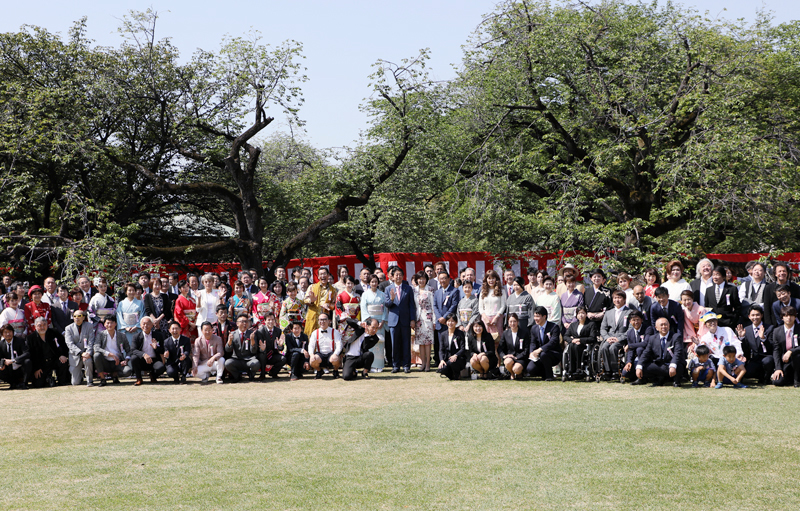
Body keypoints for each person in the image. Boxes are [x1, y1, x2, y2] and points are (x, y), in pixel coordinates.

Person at [633, 317, 685, 387]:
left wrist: (673, 365)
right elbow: (646, 353)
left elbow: (677, 353)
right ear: (656, 328)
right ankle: (659, 379)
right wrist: (639, 366)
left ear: (669, 325)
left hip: (673, 364)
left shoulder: (676, 336)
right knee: (644, 367)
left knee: (678, 366)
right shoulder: (652, 338)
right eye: (661, 325)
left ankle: (676, 380)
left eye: (665, 324)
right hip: (660, 365)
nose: (664, 327)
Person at [386, 268, 416, 373]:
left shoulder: (408, 288)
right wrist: (392, 299)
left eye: (400, 275)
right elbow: (387, 305)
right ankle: (396, 365)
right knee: (395, 345)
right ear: (392, 277)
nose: (398, 277)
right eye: (396, 275)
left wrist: (412, 319)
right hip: (393, 321)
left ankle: (406, 365)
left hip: (405, 320)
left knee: (406, 343)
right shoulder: (388, 289)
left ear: (403, 276)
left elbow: (412, 305)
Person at [736, 305, 774, 385]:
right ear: (749, 316)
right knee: (748, 373)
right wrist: (741, 338)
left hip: (766, 357)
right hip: (754, 359)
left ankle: (766, 379)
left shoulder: (770, 328)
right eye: (753, 315)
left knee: (768, 361)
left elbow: (772, 347)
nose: (755, 317)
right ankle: (760, 376)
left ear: (762, 315)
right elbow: (745, 349)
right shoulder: (747, 330)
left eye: (757, 315)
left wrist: (763, 338)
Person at [27, 316, 69, 387]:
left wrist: (63, 355)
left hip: (54, 359)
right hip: (41, 363)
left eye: (44, 325)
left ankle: (61, 381)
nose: (42, 327)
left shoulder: (54, 332)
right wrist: (36, 368)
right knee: (38, 384)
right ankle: (48, 378)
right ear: (35, 326)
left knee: (63, 362)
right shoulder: (31, 338)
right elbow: (31, 355)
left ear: (47, 325)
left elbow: (63, 344)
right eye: (40, 325)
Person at [597, 290, 630, 378]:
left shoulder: (629, 312)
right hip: (610, 338)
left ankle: (616, 370)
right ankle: (607, 371)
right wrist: (607, 338)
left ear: (624, 299)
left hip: (621, 339)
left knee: (613, 347)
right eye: (615, 298)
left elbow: (630, 329)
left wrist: (619, 339)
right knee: (604, 347)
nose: (617, 300)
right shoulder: (608, 313)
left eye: (619, 298)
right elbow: (603, 328)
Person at [92, 316, 132, 386]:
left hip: (117, 362)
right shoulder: (101, 334)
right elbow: (96, 347)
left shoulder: (122, 335)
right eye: (107, 323)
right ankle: (102, 379)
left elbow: (128, 350)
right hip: (105, 361)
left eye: (112, 323)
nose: (109, 325)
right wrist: (110, 354)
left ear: (115, 324)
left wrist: (126, 360)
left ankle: (115, 375)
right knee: (96, 355)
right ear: (104, 324)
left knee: (127, 371)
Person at [360, 274, 388, 372]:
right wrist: (369, 322)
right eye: (372, 282)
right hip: (370, 321)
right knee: (370, 343)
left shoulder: (382, 295)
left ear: (378, 283)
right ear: (369, 283)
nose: (374, 283)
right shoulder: (365, 294)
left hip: (380, 322)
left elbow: (385, 308)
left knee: (380, 343)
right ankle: (370, 365)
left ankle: (379, 365)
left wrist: (383, 321)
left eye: (376, 281)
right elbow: (363, 308)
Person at [527, 306, 563, 381]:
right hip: (540, 355)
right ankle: (544, 373)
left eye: (538, 316)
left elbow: (553, 342)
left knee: (544, 354)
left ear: (544, 316)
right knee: (530, 369)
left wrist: (540, 349)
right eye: (534, 316)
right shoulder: (534, 328)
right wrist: (532, 352)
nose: (535, 318)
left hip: (553, 354)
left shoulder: (554, 327)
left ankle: (549, 376)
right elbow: (533, 342)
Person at [129, 316, 167, 385]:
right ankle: (139, 379)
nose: (145, 326)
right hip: (142, 360)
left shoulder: (158, 335)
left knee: (161, 368)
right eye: (143, 324)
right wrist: (144, 355)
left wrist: (156, 348)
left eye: (148, 324)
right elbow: (133, 350)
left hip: (154, 360)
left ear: (152, 325)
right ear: (140, 325)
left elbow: (163, 350)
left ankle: (153, 376)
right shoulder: (136, 336)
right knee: (134, 358)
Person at [563, 306, 598, 380]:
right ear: (576, 315)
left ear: (586, 314)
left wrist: (580, 340)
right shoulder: (573, 325)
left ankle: (579, 368)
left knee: (576, 346)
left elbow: (592, 338)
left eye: (583, 313)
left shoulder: (591, 324)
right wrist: (572, 340)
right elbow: (565, 336)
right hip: (573, 344)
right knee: (572, 345)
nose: (581, 315)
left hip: (585, 345)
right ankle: (571, 369)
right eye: (579, 313)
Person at [224, 314, 260, 382]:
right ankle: (237, 376)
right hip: (237, 359)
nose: (244, 323)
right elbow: (227, 350)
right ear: (237, 323)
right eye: (242, 321)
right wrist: (230, 341)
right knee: (227, 363)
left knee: (256, 363)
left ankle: (251, 376)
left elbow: (254, 351)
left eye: (246, 322)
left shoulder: (252, 334)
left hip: (249, 359)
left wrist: (252, 340)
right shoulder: (233, 334)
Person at [620, 310, 654, 382]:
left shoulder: (648, 329)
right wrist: (629, 362)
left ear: (642, 320)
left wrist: (629, 345)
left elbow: (645, 343)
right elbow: (631, 350)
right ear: (630, 321)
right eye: (633, 320)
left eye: (638, 319)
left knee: (640, 349)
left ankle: (642, 377)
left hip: (647, 357)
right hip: (636, 357)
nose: (636, 322)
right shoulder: (630, 333)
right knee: (625, 373)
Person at [64, 309, 95, 387]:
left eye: (79, 316)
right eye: (74, 316)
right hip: (75, 355)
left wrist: (87, 353)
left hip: (86, 353)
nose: (76, 318)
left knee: (88, 360)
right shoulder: (68, 328)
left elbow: (91, 341)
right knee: (75, 383)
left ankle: (89, 380)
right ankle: (80, 376)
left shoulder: (89, 326)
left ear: (84, 317)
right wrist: (81, 353)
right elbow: (69, 344)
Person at [771, 306, 800, 387]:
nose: (789, 318)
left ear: (795, 317)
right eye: (786, 316)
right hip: (785, 361)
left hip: (798, 360)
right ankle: (789, 377)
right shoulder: (776, 331)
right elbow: (776, 350)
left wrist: (791, 351)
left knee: (797, 355)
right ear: (782, 318)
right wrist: (778, 368)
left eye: (791, 315)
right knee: (777, 382)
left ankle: (796, 380)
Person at [303, 267, 336, 336]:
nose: (323, 276)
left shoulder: (333, 290)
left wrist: (328, 305)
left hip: (325, 317)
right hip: (313, 316)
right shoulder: (312, 287)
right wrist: (311, 301)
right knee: (311, 337)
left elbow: (334, 304)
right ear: (318, 276)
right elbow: (305, 300)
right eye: (321, 274)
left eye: (324, 274)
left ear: (328, 275)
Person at [413, 272, 435, 371]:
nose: (421, 281)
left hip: (428, 318)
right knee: (420, 343)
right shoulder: (414, 290)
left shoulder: (430, 290)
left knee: (428, 343)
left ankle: (427, 364)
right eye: (419, 279)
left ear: (426, 279)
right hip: (418, 319)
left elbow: (433, 306)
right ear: (417, 280)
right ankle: (422, 363)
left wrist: (434, 321)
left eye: (423, 278)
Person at [309, 313, 343, 379]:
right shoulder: (315, 332)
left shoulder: (335, 332)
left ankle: (335, 371)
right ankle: (319, 371)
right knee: (312, 361)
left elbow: (339, 344)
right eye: (321, 320)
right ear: (318, 321)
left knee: (336, 359)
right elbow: (311, 345)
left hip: (331, 354)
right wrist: (311, 355)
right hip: (320, 355)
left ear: (329, 321)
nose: (322, 322)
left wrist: (335, 354)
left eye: (324, 319)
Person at [253, 313, 285, 380]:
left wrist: (280, 345)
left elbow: (281, 348)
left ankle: (273, 372)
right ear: (264, 321)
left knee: (283, 359)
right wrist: (262, 349)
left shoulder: (278, 331)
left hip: (273, 354)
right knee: (262, 355)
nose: (271, 322)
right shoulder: (260, 331)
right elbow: (258, 347)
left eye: (272, 320)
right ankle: (262, 374)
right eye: (269, 320)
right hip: (263, 354)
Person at [437, 313, 468, 380]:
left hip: (459, 359)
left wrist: (456, 355)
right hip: (447, 358)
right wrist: (441, 360)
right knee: (441, 369)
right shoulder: (443, 334)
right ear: (446, 322)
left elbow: (463, 348)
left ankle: (457, 374)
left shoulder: (460, 333)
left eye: (452, 321)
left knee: (452, 362)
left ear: (456, 322)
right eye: (448, 321)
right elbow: (441, 350)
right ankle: (452, 376)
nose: (450, 323)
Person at [499, 313, 528, 380]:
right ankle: (511, 373)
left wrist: (517, 357)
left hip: (520, 358)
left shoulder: (524, 333)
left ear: (518, 322)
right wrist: (504, 356)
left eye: (514, 321)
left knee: (517, 369)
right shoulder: (505, 333)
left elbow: (526, 349)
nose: (512, 323)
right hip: (510, 357)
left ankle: (519, 373)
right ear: (508, 322)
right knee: (507, 361)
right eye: (510, 321)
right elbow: (500, 348)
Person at [0, 324, 30, 389]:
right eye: (5, 332)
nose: (8, 334)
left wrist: (13, 360)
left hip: (20, 368)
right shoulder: (1, 344)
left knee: (28, 361)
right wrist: (3, 362)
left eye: (10, 331)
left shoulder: (20, 341)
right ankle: (12, 384)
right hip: (9, 370)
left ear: (13, 332)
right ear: (2, 335)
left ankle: (24, 383)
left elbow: (27, 353)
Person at [163, 320, 193, 384]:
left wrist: (184, 355)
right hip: (172, 362)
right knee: (170, 372)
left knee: (187, 360)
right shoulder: (166, 341)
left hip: (183, 361)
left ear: (180, 329)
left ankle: (184, 376)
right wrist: (166, 354)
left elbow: (188, 350)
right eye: (173, 329)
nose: (175, 331)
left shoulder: (186, 339)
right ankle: (176, 377)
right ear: (169, 330)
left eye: (176, 328)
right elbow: (166, 352)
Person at [116, 282, 144, 347]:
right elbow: (119, 316)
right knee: (126, 347)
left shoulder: (140, 303)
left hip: (136, 329)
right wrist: (126, 327)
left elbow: (142, 315)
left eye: (133, 290)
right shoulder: (121, 303)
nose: (131, 292)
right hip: (125, 329)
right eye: (129, 290)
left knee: (136, 346)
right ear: (126, 292)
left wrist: (137, 326)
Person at [479, 269, 505, 336]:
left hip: (498, 318)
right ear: (486, 279)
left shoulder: (501, 290)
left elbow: (503, 306)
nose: (491, 280)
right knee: (486, 338)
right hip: (486, 319)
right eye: (489, 278)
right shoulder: (483, 291)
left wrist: (496, 317)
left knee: (498, 338)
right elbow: (480, 307)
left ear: (496, 279)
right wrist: (485, 317)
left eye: (493, 278)